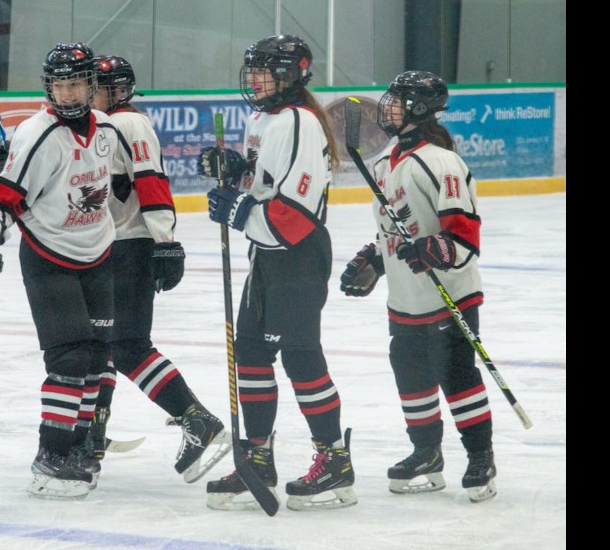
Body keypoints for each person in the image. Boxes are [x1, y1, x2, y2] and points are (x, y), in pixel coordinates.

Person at [200, 35, 356, 512]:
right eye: (254, 71)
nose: (257, 79)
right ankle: (258, 458)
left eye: (268, 71)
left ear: (294, 74)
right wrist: (235, 173)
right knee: (250, 350)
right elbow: (263, 183)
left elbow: (295, 214)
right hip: (267, 254)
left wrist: (239, 210)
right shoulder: (263, 118)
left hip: (298, 254)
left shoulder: (302, 123)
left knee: (301, 357)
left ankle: (335, 462)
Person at [0, 42, 123, 500]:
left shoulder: (108, 129)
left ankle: (81, 444)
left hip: (98, 251)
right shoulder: (37, 133)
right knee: (70, 356)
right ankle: (52, 452)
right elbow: (8, 193)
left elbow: (116, 180)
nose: (68, 92)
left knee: (97, 356)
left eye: (76, 83)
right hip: (49, 255)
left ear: (91, 85)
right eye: (59, 83)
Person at [339, 70, 497, 503]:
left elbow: (464, 237)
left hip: (450, 295)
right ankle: (426, 453)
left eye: (399, 100)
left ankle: (480, 456)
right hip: (405, 298)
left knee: (457, 374)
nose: (388, 106)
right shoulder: (383, 162)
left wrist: (437, 250)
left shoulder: (441, 161)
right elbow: (392, 229)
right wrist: (373, 261)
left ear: (421, 109)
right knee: (409, 371)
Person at [86, 54, 230, 483]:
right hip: (106, 248)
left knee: (128, 345)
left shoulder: (130, 124)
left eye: (92, 86)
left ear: (113, 91)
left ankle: (196, 418)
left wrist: (165, 242)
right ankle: (93, 431)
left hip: (130, 246)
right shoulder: (100, 125)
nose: (84, 93)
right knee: (102, 343)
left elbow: (151, 180)